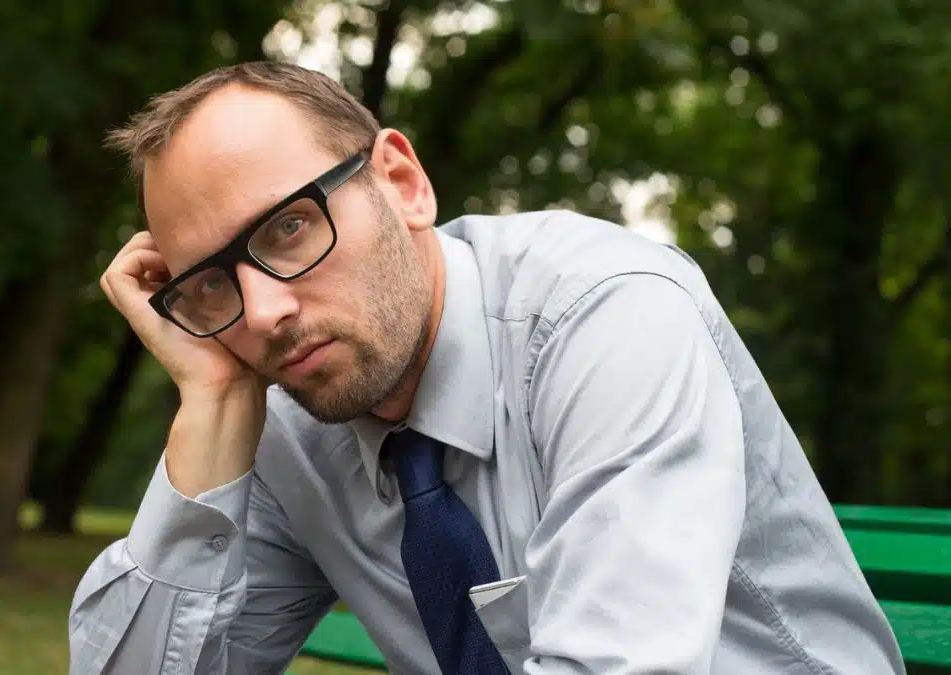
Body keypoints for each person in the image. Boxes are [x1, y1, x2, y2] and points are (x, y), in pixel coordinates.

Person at [68, 61, 905, 675]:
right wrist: (209, 406)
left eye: (289, 228)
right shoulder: (288, 417)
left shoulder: (609, 317)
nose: (263, 314)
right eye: (211, 284)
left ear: (401, 183)